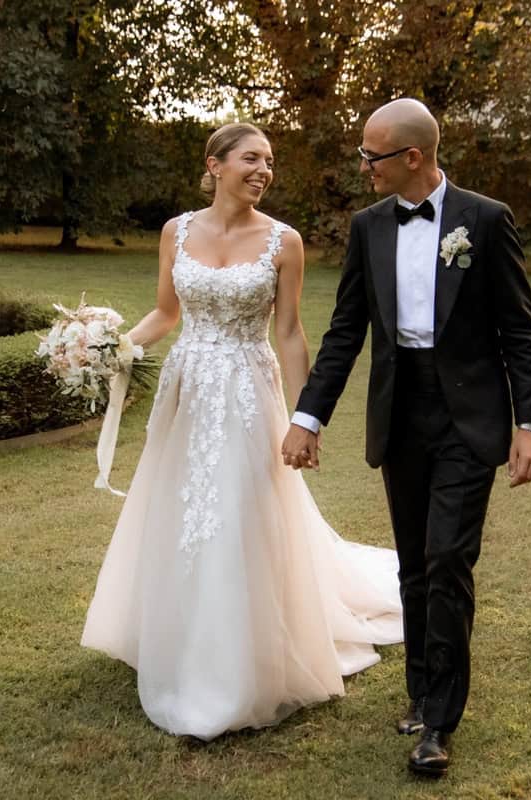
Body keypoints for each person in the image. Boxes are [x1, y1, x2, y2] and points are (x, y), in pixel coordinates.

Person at [80, 123, 403, 741]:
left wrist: (307, 417)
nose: (264, 170)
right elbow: (166, 313)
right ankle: (176, 633)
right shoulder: (175, 231)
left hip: (249, 394)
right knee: (182, 509)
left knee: (238, 511)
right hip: (186, 392)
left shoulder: (284, 241)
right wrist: (112, 346)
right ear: (216, 165)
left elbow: (290, 332)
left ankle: (240, 655)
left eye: (270, 161)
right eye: (252, 158)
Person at [282, 98, 531, 777]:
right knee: (413, 565)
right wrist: (308, 417)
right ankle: (421, 691)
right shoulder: (368, 226)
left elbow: (520, 333)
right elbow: (346, 330)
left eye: (371, 156)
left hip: (469, 416)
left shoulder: (485, 220)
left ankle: (439, 722)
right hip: (399, 411)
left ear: (412, 156)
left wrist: (528, 426)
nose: (362, 167)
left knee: (447, 558)